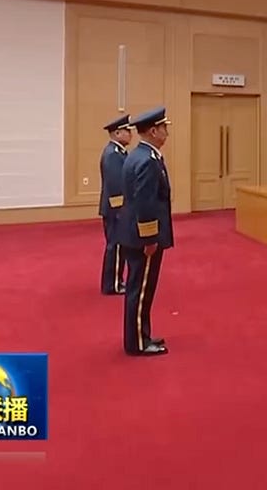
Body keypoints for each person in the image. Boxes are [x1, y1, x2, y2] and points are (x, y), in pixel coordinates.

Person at [117, 107, 174, 357]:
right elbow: (145, 202)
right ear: (153, 131)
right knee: (140, 290)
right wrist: (150, 238)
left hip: (133, 233)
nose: (167, 133)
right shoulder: (148, 161)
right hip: (143, 238)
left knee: (138, 288)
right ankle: (138, 342)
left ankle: (141, 335)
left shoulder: (139, 155)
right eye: (164, 128)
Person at [98, 114, 133, 296]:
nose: (130, 134)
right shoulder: (113, 154)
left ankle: (115, 281)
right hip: (115, 209)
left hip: (116, 209)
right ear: (117, 133)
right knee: (117, 246)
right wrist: (121, 210)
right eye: (127, 131)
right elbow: (115, 186)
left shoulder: (118, 152)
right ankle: (113, 284)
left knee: (118, 246)